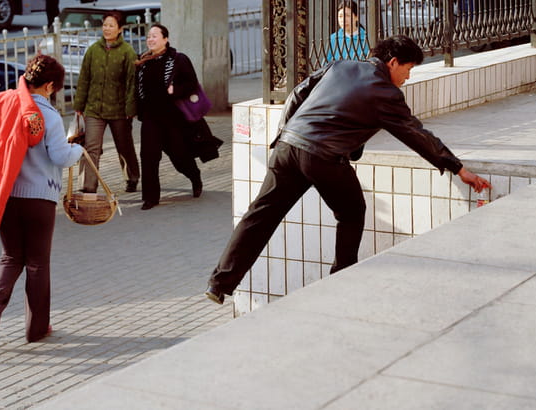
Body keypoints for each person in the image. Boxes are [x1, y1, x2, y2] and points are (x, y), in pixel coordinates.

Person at [204, 35, 491, 305]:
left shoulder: (340, 65)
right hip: (322, 157)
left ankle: (219, 283)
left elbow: (297, 93)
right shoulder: (385, 93)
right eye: (408, 68)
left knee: (260, 215)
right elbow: (416, 134)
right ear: (392, 62)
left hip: (287, 148)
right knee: (352, 212)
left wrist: (286, 132)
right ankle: (341, 279)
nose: (408, 77)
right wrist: (456, 167)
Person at [0, 54, 83, 344]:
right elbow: (60, 156)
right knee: (38, 263)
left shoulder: (4, 103)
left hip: (8, 196)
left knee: (11, 256)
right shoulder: (48, 116)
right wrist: (78, 149)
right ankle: (36, 329)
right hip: (39, 198)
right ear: (50, 86)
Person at [135, 23, 204, 210]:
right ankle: (150, 198)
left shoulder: (178, 59)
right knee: (148, 156)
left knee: (179, 156)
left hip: (173, 118)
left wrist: (175, 90)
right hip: (150, 117)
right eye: (149, 36)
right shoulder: (142, 62)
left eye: (154, 36)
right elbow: (137, 89)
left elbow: (192, 83)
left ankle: (194, 176)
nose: (150, 39)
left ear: (165, 39)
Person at [73, 10, 140, 194]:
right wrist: (79, 106)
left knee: (124, 146)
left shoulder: (127, 52)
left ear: (120, 29)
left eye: (111, 25)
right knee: (91, 147)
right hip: (94, 109)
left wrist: (130, 109)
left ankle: (132, 177)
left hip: (120, 111)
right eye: (105, 25)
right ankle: (88, 186)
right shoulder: (93, 50)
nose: (107, 29)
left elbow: (131, 83)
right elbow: (84, 79)